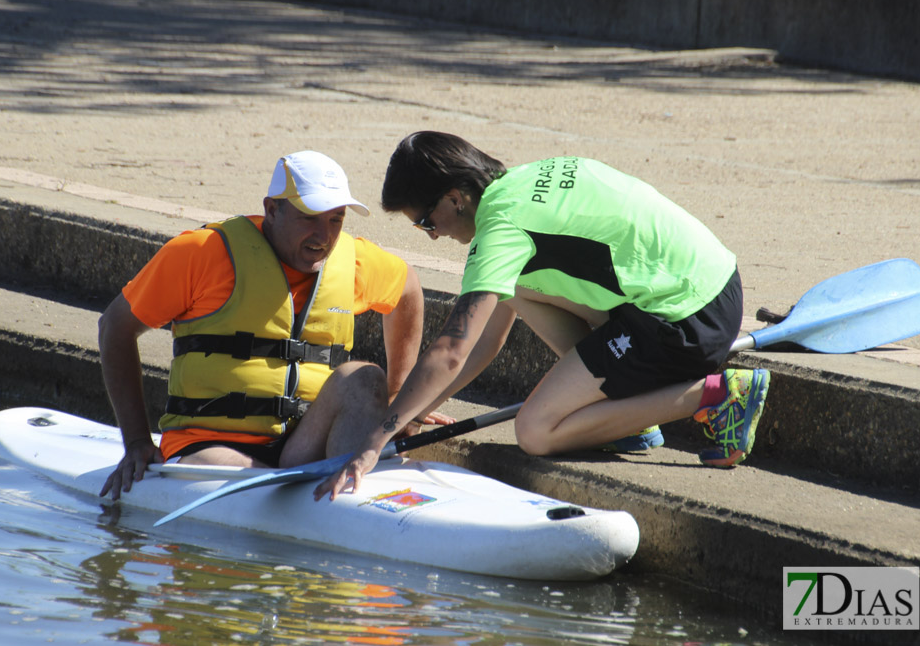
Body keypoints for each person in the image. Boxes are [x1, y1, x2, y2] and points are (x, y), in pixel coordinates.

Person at [315, 131, 771, 500]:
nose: (432, 238)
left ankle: (716, 395)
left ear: (455, 198)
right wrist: (417, 410)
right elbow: (485, 343)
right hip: (712, 285)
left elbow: (452, 350)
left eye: (427, 224)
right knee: (514, 287)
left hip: (684, 318)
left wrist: (375, 443)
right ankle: (628, 417)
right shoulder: (522, 182)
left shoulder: (500, 232)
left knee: (535, 430)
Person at [99, 150, 441, 501]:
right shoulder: (201, 252)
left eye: (336, 220)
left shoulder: (353, 261)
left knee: (365, 378)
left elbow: (407, 289)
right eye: (310, 218)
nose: (323, 236)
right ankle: (312, 501)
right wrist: (138, 441)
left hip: (303, 445)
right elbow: (116, 327)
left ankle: (347, 499)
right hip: (210, 445)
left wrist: (401, 397)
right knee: (271, 486)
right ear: (272, 209)